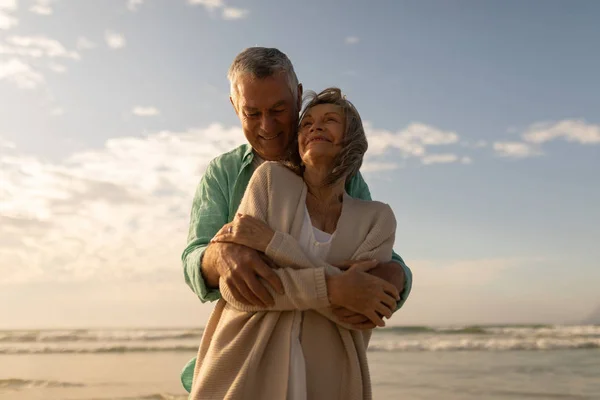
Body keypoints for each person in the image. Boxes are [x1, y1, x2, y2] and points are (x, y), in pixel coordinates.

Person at [181, 47, 413, 393]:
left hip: (323, 370)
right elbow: (196, 257)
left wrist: (395, 276)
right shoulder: (227, 173)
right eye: (252, 113)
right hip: (242, 364)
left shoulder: (343, 175)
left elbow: (379, 259)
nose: (267, 126)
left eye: (278, 110)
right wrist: (221, 256)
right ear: (234, 108)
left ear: (298, 96)